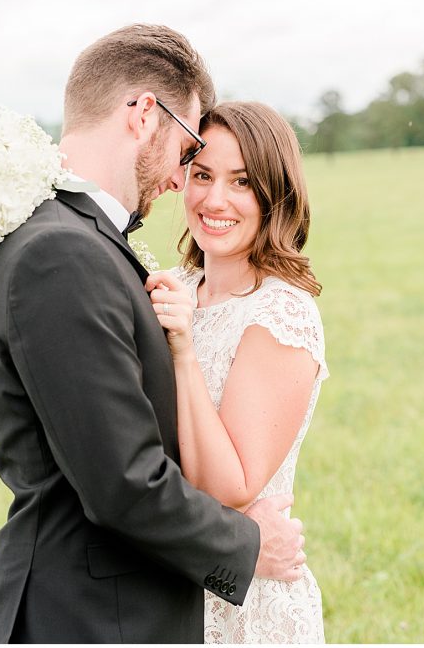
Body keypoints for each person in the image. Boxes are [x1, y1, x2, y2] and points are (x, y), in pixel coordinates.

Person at [0, 25, 305, 644]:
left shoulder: (54, 235)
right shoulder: (62, 253)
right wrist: (250, 544)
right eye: (188, 154)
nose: (182, 180)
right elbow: (123, 481)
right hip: (88, 617)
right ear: (147, 114)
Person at [145, 102, 328, 643]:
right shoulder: (174, 286)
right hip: (164, 588)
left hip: (245, 602)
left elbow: (230, 488)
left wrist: (183, 350)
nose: (214, 199)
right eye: (202, 175)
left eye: (241, 182)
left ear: (274, 194)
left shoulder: (280, 314)